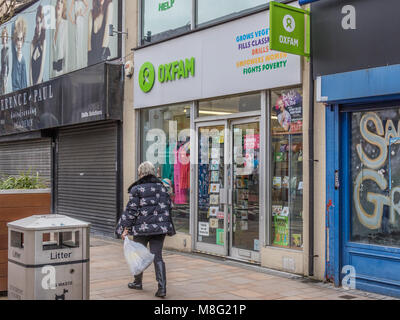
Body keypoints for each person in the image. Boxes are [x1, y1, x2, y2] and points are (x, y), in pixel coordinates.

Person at [116, 161, 176, 298]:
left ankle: (138, 282)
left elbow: (131, 211)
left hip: (141, 228)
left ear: (141, 173)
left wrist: (124, 228)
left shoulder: (137, 189)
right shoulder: (162, 187)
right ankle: (162, 288)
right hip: (159, 228)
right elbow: (169, 206)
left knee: (139, 254)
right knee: (158, 256)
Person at [88, 0, 113, 65]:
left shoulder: (109, 6)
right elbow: (89, 36)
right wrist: (89, 54)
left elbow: (108, 27)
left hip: (102, 51)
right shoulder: (91, 12)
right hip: (92, 53)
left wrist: (103, 51)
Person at [69, 0, 89, 69]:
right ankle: (78, 64)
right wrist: (72, 20)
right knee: (77, 42)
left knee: (80, 41)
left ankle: (81, 63)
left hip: (81, 19)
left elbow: (87, 5)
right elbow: (69, 12)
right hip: (77, 19)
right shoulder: (73, 1)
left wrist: (83, 13)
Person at [30, 5, 46, 85]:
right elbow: (30, 69)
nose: (39, 25)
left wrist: (36, 86)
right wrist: (31, 85)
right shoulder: (32, 43)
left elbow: (42, 69)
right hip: (32, 85)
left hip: (40, 85)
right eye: (37, 22)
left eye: (40, 22)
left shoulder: (44, 42)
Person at [52, 0, 69, 77]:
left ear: (64, 6)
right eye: (58, 1)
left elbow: (66, 49)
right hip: (51, 73)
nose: (59, 3)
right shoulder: (51, 27)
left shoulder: (65, 25)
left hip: (62, 72)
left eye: (61, 2)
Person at [11, 17, 27, 91]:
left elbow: (24, 81)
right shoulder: (14, 55)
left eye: (21, 39)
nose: (19, 43)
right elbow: (11, 42)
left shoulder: (23, 60)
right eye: (18, 39)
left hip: (20, 93)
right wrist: (14, 23)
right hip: (13, 91)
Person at [0, 27, 9, 95]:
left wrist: (7, 75)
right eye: (2, 37)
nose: (3, 39)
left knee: (4, 90)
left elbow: (8, 65)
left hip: (5, 72)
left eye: (5, 37)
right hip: (2, 72)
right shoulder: (2, 50)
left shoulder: (7, 49)